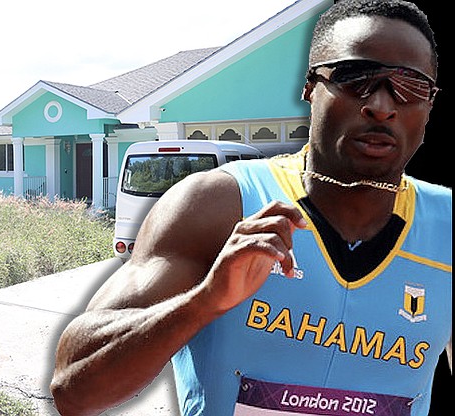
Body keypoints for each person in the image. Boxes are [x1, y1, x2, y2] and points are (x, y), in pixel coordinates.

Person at [50, 0, 452, 415]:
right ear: (311, 88)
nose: (383, 105)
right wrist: (204, 301)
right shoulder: (218, 205)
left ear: (429, 107)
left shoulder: (447, 229)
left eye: (411, 86)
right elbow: (74, 390)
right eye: (356, 77)